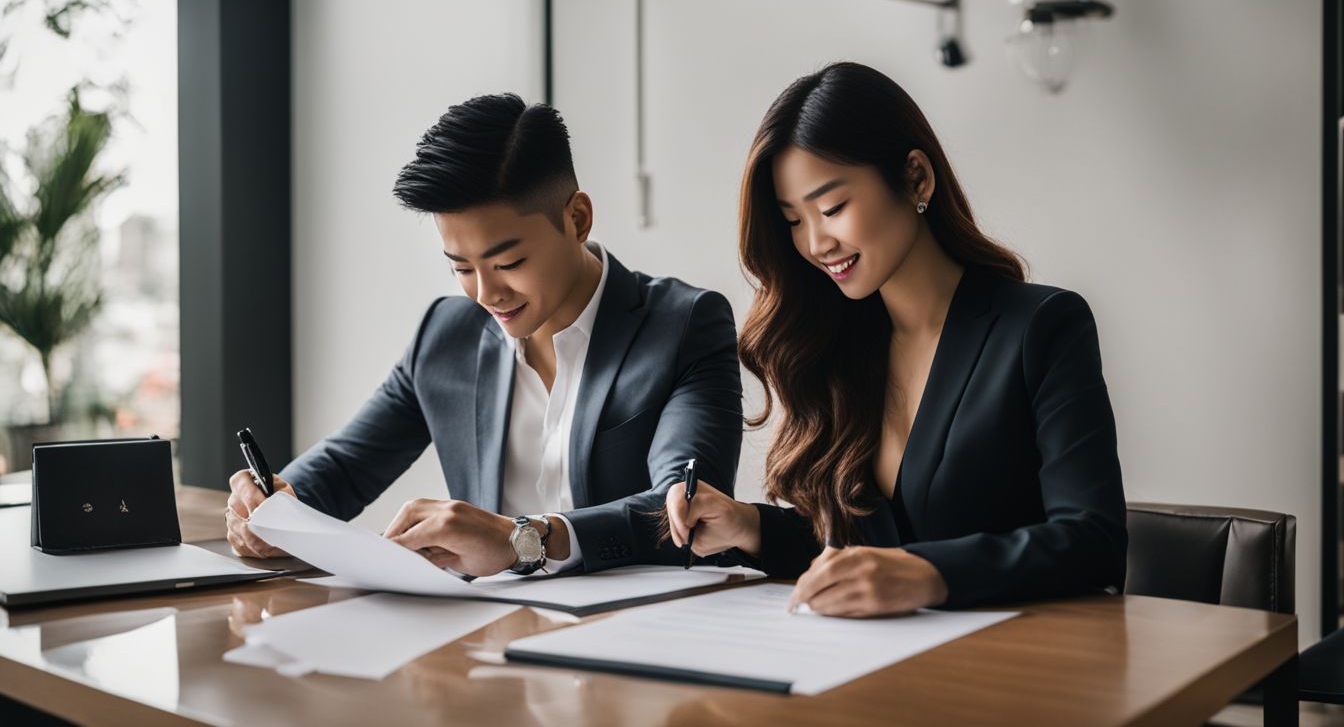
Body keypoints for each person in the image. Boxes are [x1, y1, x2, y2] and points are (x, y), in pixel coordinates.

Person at [664, 62, 1127, 615]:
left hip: (1014, 669)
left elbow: (1094, 541)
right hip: (877, 669)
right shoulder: (838, 347)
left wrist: (931, 575)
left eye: (833, 207)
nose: (815, 243)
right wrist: (750, 526)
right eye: (793, 220)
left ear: (915, 178)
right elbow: (862, 552)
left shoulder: (1042, 327)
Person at [226, 93, 742, 577]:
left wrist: (526, 539)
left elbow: (688, 509)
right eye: (461, 267)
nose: (486, 294)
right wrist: (273, 513)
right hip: (486, 637)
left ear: (578, 219)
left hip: (648, 633)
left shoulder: (684, 323)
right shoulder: (446, 334)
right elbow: (344, 469)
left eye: (508, 262)